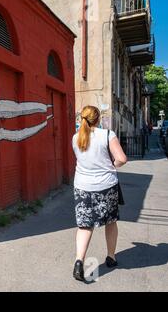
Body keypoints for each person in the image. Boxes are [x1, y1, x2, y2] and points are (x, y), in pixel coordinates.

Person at [72, 106, 127, 282]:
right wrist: (112, 165)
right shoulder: (107, 135)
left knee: (84, 226)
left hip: (82, 186)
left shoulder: (76, 138)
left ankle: (79, 261)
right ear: (98, 119)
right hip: (106, 186)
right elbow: (122, 159)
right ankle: (111, 257)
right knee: (110, 222)